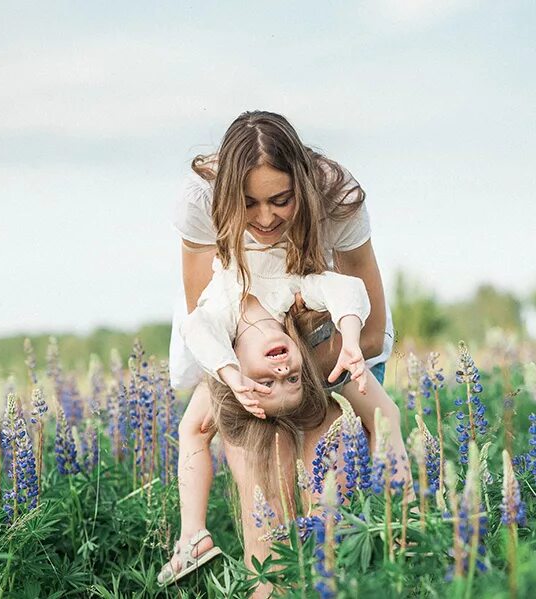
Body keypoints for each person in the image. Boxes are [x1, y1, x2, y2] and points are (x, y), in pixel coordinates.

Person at [164, 109, 409, 584]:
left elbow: (368, 327)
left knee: (327, 487)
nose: (264, 218)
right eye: (248, 204)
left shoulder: (336, 203)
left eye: (281, 200)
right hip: (236, 346)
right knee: (261, 481)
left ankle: (366, 556)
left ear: (303, 185)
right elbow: (203, 322)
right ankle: (254, 573)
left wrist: (304, 367)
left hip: (329, 338)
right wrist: (241, 377)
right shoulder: (215, 260)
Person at [159, 246, 372, 586]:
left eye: (268, 381)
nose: (283, 369)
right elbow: (347, 289)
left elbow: (196, 328)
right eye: (292, 378)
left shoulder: (219, 319)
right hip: (300, 334)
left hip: (218, 357)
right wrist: (350, 338)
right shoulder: (292, 293)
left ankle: (192, 535)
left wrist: (231, 375)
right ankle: (306, 572)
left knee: (193, 429)